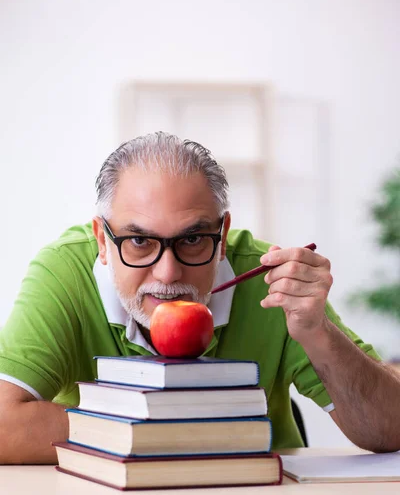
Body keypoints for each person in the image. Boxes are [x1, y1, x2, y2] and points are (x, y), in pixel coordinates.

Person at [0, 132, 399, 464]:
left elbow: (390, 428)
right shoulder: (65, 272)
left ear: (223, 237)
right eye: (139, 241)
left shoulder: (271, 280)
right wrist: (164, 428)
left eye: (192, 239)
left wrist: (318, 333)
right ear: (103, 240)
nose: (168, 273)